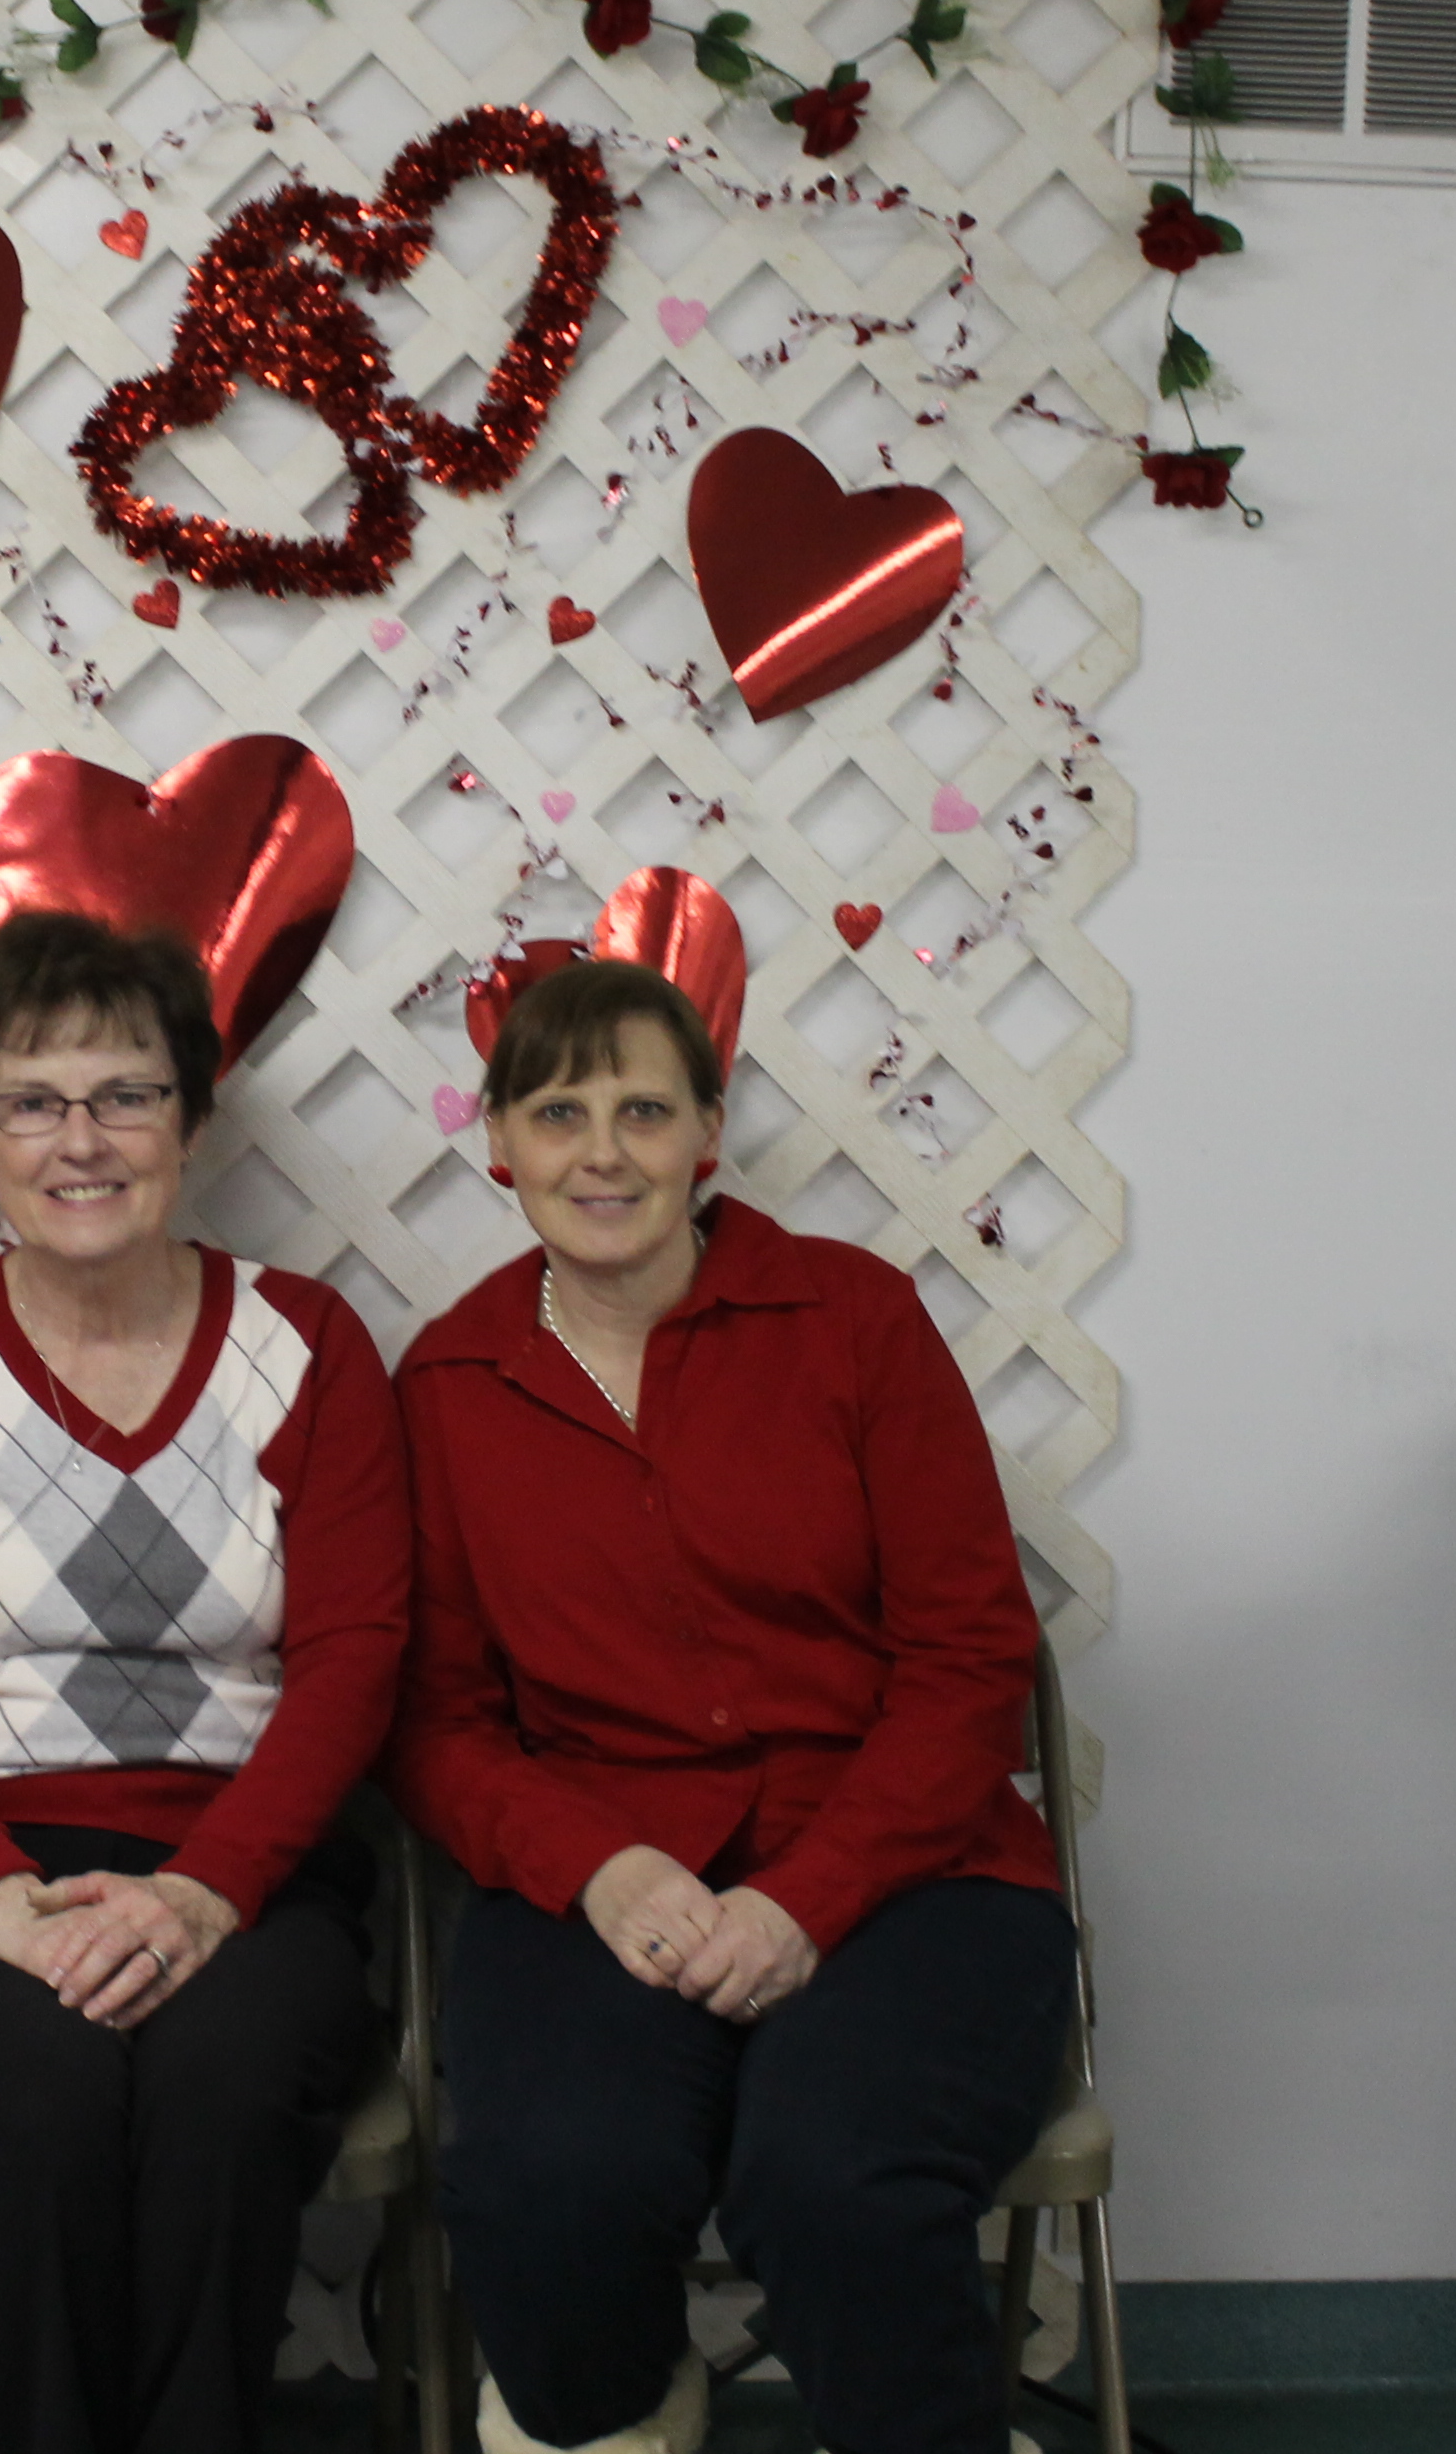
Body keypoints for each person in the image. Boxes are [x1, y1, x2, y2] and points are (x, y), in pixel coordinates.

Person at [388, 956, 1078, 2454]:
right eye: (558, 1113)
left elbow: (970, 1659)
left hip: (913, 1870)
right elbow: (435, 1724)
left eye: (644, 1110)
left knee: (837, 2178)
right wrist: (596, 1868)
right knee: (547, 2184)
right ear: (498, 1142)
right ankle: (624, 2408)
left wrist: (805, 1901)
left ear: (709, 1129)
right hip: (604, 1876)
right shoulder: (449, 1382)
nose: (603, 1152)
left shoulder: (853, 1320)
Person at [0, 910, 412, 2454]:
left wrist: (206, 1892)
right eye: (31, 1101)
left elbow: (352, 1663)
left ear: (193, 1121)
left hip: (250, 1873)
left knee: (221, 2097)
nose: (80, 1140)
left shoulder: (309, 1345)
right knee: (43, 2095)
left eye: (126, 1094)